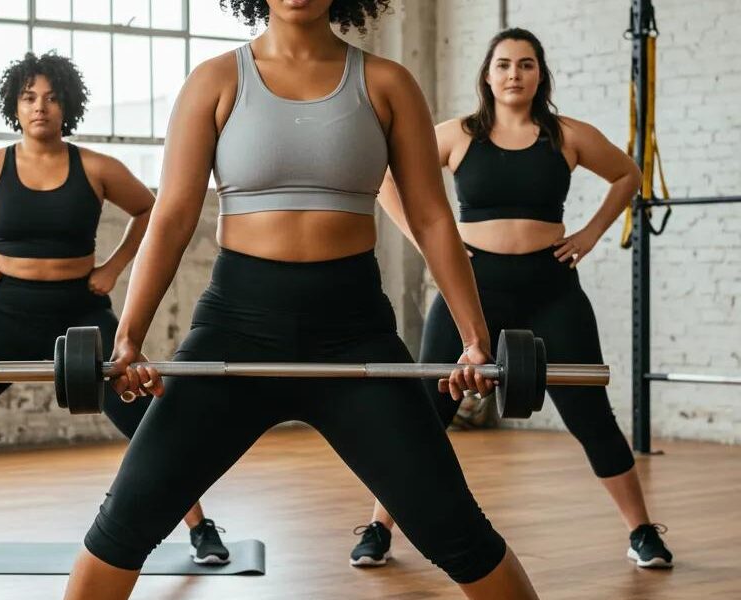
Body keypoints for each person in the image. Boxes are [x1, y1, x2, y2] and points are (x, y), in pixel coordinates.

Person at [62, 1, 541, 598]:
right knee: (124, 524)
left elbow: (431, 219)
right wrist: (128, 337)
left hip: (355, 334)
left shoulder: (387, 84)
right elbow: (173, 216)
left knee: (457, 531)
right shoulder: (215, 80)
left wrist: (475, 341)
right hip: (235, 330)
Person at [0, 52, 230, 567]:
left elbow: (152, 208)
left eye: (53, 97)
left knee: (146, 422)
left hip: (79, 311)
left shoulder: (97, 168)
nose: (41, 107)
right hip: (3, 310)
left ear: (68, 107)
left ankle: (200, 529)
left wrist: (114, 266)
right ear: (15, 106)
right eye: (30, 97)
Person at [349, 28, 673, 570]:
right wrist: (434, 247)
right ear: (487, 75)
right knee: (428, 410)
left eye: (525, 64)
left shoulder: (567, 134)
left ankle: (642, 532)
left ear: (540, 73)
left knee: (590, 410)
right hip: (470, 288)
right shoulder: (457, 135)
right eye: (503, 65)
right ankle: (380, 529)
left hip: (551, 288)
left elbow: (628, 174)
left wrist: (591, 234)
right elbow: (386, 179)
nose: (514, 74)